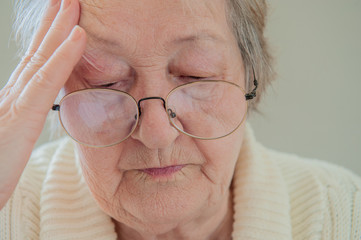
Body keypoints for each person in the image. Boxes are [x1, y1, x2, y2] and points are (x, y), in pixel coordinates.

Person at [0, 0, 360, 239]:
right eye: (105, 82)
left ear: (251, 76)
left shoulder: (343, 213)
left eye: (195, 75)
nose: (156, 133)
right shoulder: (9, 215)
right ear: (53, 93)